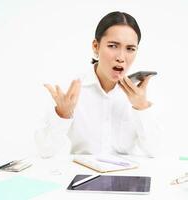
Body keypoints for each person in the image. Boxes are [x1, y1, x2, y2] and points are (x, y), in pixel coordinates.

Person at [43, 11, 160, 157]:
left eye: (130, 49)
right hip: (83, 174)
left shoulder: (141, 93)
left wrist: (141, 108)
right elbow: (45, 151)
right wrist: (63, 115)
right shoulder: (71, 91)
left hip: (125, 176)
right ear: (96, 46)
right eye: (112, 46)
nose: (121, 57)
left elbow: (155, 151)